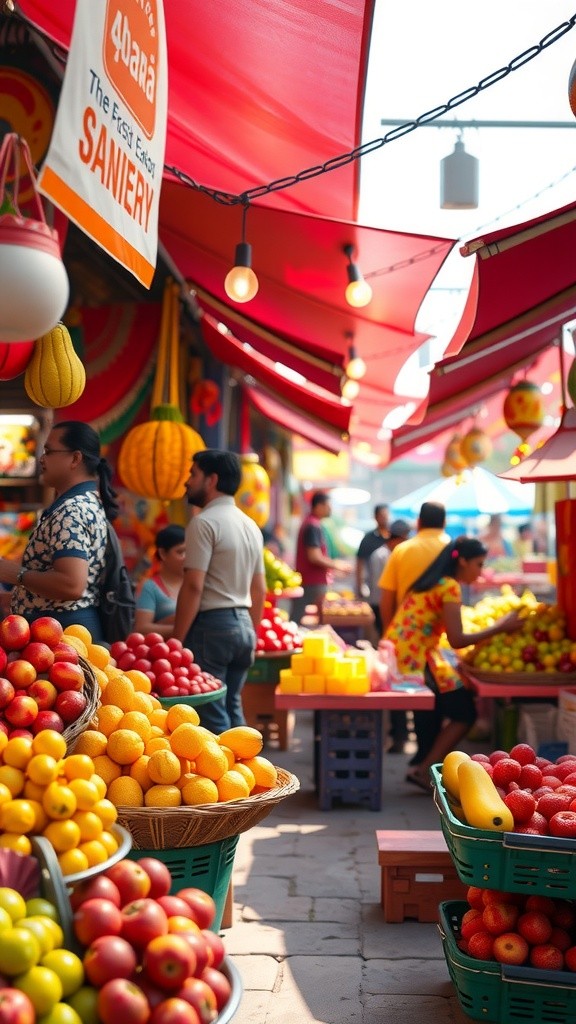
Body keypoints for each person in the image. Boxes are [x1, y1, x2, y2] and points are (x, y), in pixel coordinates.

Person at [384, 537, 523, 791]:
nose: (481, 572)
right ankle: (424, 769)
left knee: (435, 713)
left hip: (407, 656)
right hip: (415, 660)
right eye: (479, 565)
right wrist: (500, 628)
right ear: (463, 561)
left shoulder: (432, 581)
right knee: (464, 712)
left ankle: (423, 765)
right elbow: (457, 639)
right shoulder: (449, 587)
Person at [173, 449, 266, 734]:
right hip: (243, 627)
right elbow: (259, 589)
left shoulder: (203, 523)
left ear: (211, 480)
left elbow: (193, 585)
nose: (187, 481)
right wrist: (253, 631)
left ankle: (230, 777)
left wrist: (176, 640)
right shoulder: (250, 525)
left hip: (212, 628)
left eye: (193, 474)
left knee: (213, 718)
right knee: (233, 708)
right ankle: (250, 775)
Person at [0, 420, 119, 641]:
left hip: (62, 636)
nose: (41, 458)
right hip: (66, 631)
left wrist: (16, 574)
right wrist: (16, 596)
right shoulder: (85, 502)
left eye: (48, 451)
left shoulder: (71, 510)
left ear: (75, 458)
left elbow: (71, 584)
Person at [379, 501, 450, 757]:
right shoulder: (451, 548)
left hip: (406, 636)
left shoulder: (402, 550)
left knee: (401, 690)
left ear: (418, 523)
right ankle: (427, 756)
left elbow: (386, 597)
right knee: (436, 697)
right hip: (440, 640)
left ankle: (402, 740)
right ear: (444, 522)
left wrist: (390, 632)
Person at [290, 491, 352, 623]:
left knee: (302, 618)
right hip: (312, 582)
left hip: (311, 581)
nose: (330, 509)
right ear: (318, 506)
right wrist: (337, 565)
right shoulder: (312, 525)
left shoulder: (312, 523)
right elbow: (314, 557)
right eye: (328, 505)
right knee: (300, 620)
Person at [135, 524, 186, 638]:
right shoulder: (150, 587)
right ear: (163, 553)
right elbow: (141, 628)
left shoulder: (195, 584)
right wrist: (183, 628)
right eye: (180, 552)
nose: (186, 557)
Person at [355, 504, 391, 600]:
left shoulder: (394, 537)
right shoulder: (368, 539)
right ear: (375, 517)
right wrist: (360, 586)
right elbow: (360, 563)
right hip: (373, 587)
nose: (384, 518)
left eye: (386, 515)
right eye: (381, 516)